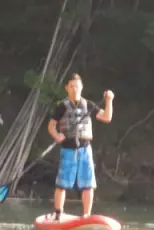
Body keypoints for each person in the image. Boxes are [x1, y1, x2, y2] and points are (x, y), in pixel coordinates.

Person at [48, 73, 113, 219]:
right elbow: (51, 126)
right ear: (67, 88)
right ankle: (58, 213)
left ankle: (86, 215)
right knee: (62, 183)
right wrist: (57, 136)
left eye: (76, 86)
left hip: (85, 149)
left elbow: (107, 117)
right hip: (68, 149)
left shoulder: (88, 105)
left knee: (88, 183)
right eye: (71, 86)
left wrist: (109, 100)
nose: (74, 89)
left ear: (81, 87)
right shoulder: (62, 106)